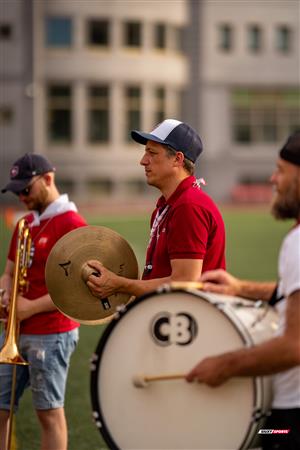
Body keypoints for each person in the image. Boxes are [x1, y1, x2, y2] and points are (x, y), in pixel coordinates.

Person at [186, 131, 300, 450]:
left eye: (281, 169)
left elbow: (294, 347)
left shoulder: (297, 243)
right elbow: (292, 292)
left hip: (291, 422)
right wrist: (240, 289)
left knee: (258, 437)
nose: (272, 178)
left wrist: (223, 365)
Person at [0, 153, 87, 450]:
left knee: (48, 413)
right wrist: (4, 292)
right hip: (15, 330)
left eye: (26, 189)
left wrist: (29, 306)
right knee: (0, 408)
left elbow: (77, 287)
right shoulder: (25, 223)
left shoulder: (73, 223)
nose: (21, 196)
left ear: (48, 179)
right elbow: (9, 272)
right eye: (17, 191)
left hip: (51, 332)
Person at [86, 118, 226, 299]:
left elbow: (185, 282)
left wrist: (119, 284)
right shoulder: (169, 206)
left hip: (191, 321)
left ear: (178, 159)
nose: (143, 161)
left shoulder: (188, 206)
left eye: (152, 153)